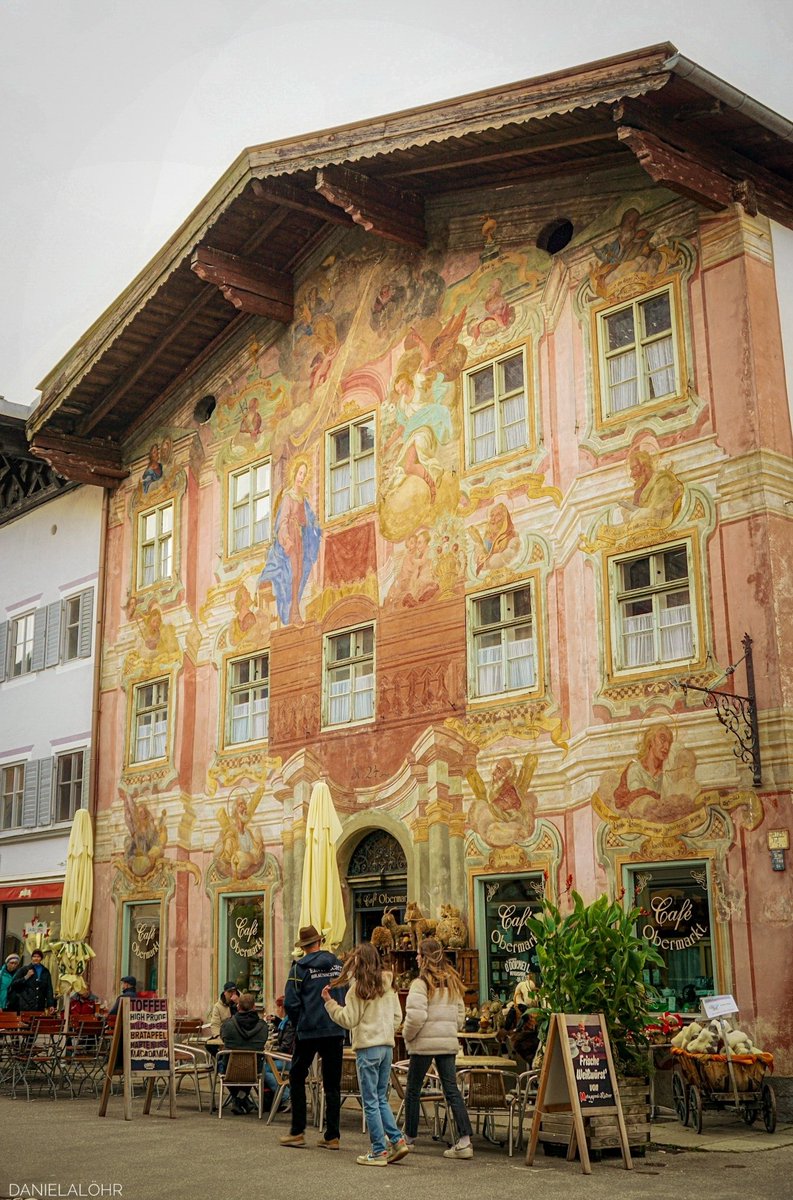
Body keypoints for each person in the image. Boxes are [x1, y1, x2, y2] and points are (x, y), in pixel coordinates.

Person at [322, 942, 408, 1167]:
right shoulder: (389, 985)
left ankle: (379, 1150)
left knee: (370, 1101)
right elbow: (398, 1017)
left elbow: (348, 1020)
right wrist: (386, 1031)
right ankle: (397, 1141)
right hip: (387, 1048)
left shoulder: (358, 989)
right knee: (381, 1098)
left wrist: (330, 1004)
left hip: (368, 1048)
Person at [402, 937, 474, 1160]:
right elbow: (461, 1013)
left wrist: (408, 1036)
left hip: (424, 1044)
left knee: (413, 1090)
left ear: (425, 957)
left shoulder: (420, 983)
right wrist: (451, 1029)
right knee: (451, 1090)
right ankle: (465, 1141)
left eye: (418, 954)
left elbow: (415, 1017)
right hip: (447, 1043)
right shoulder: (452, 981)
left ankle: (409, 1138)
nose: (416, 957)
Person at [280, 924, 345, 1150]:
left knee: (297, 1076)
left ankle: (297, 1131)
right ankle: (332, 1136)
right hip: (335, 1027)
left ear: (304, 946)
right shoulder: (338, 965)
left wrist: (299, 1023)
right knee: (332, 1083)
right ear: (319, 942)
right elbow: (346, 993)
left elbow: (291, 1002)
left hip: (309, 1029)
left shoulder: (299, 969)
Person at [259, 456, 321, 627]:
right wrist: (286, 541)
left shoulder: (303, 498)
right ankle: (292, 611)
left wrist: (314, 524)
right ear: (294, 474)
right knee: (293, 574)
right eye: (300, 473)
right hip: (291, 540)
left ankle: (295, 609)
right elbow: (282, 521)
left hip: (300, 540)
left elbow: (308, 519)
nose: (301, 477)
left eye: (304, 474)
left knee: (299, 574)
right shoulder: (288, 497)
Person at [220, 992, 269, 1115]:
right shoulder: (263, 1027)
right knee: (251, 1065)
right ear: (254, 1007)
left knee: (220, 1063)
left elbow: (223, 1039)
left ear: (238, 1007)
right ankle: (242, 1100)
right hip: (254, 1070)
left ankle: (238, 1099)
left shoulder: (228, 1025)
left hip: (229, 1070)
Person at [7, 948, 55, 1013]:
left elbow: (49, 989)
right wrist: (26, 977)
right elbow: (14, 984)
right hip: (26, 1006)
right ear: (31, 958)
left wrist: (51, 1004)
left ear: (41, 958)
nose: (36, 958)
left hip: (39, 1006)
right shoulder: (24, 969)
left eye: (38, 956)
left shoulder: (45, 971)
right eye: (34, 956)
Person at [206, 982, 240, 1059]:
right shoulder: (218, 1006)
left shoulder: (241, 1001)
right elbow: (215, 1024)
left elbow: (246, 1012)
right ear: (225, 993)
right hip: (224, 1033)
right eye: (230, 992)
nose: (232, 994)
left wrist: (238, 1003)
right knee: (209, 1045)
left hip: (239, 1032)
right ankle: (221, 1061)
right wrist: (218, 1036)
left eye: (234, 991)